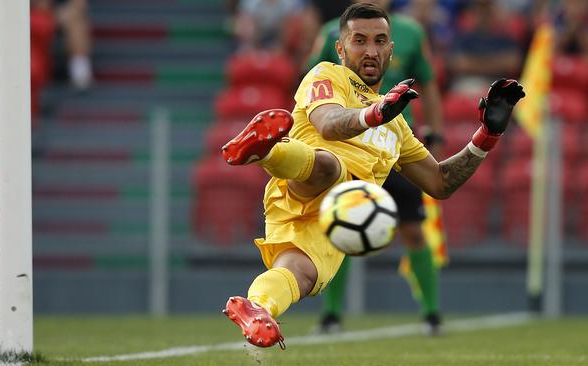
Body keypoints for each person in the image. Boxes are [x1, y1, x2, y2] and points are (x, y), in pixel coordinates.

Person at [220, 2, 525, 349]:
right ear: (340, 47)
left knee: (301, 275)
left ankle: (257, 307)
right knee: (333, 168)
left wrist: (486, 137)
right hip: (306, 181)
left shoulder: (397, 124)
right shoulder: (327, 75)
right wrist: (373, 113)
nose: (370, 50)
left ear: (391, 50)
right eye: (359, 40)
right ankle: (268, 151)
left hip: (329, 222)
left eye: (380, 41)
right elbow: (329, 124)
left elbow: (440, 183)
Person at [307, 0, 446, 335]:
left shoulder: (411, 31)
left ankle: (431, 313)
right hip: (350, 145)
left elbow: (427, 83)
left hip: (398, 146)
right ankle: (332, 314)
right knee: (341, 226)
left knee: (413, 229)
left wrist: (437, 133)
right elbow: (313, 81)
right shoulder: (331, 33)